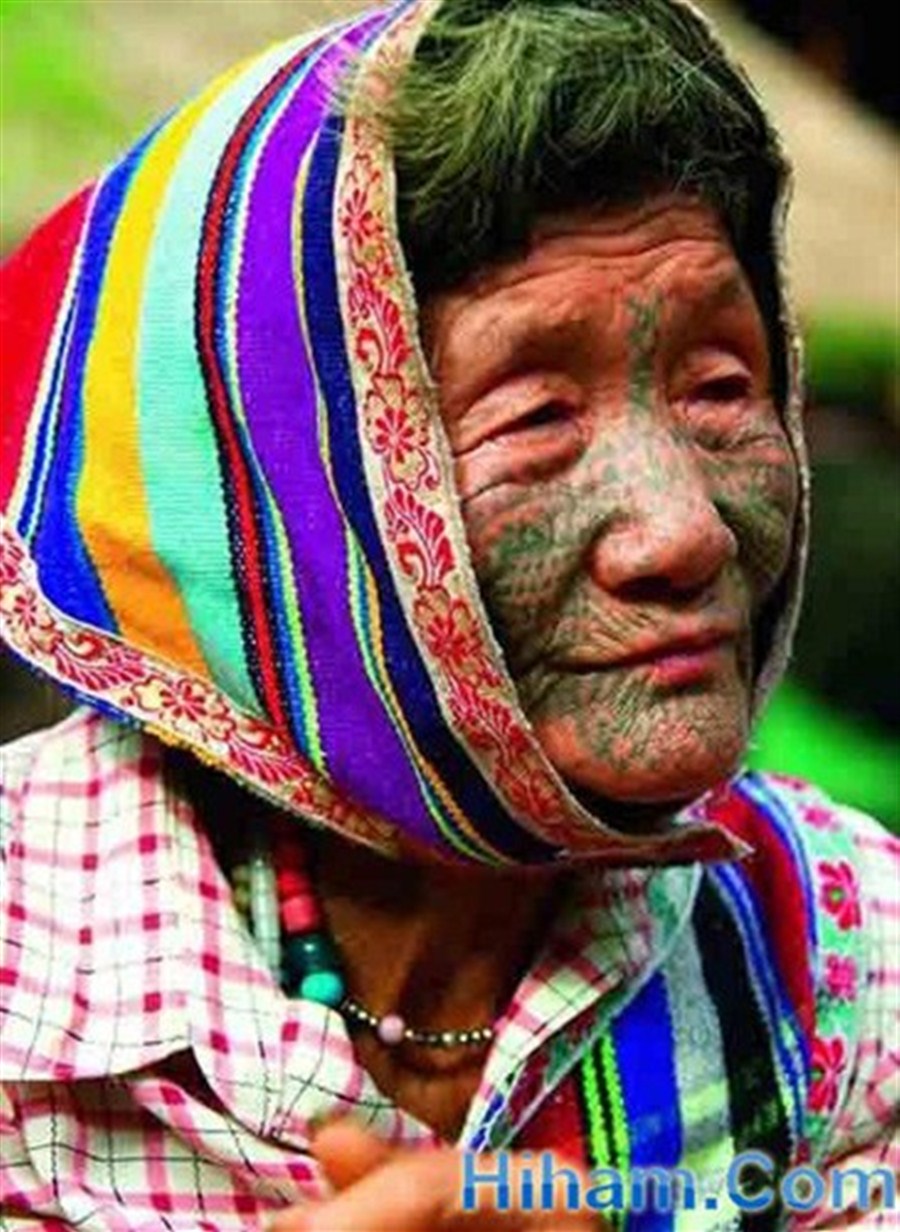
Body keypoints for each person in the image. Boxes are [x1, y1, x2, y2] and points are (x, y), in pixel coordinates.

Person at [0, 0, 896, 1228]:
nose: (683, 529)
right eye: (537, 418)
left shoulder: (846, 947)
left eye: (721, 384)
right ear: (287, 492)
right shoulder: (27, 958)